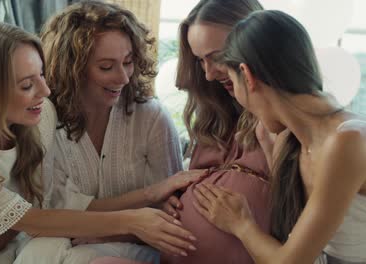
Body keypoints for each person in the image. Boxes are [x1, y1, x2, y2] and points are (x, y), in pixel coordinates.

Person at [0, 21, 198, 264]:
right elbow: (29, 219)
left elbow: (52, 209)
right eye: (26, 85)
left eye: (41, 76)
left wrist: (152, 195)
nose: (45, 91)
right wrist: (132, 220)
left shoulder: (40, 116)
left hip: (11, 237)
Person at [13, 1, 206, 263]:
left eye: (128, 62)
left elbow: (173, 218)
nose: (124, 77)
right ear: (74, 69)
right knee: (41, 251)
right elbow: (48, 213)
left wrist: (105, 234)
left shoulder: (151, 119)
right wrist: (139, 206)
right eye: (106, 67)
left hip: (133, 248)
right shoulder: (44, 118)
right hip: (59, 244)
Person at [92, 1, 274, 264]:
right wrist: (172, 203)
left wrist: (242, 226)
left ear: (256, 43)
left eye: (218, 56)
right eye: (200, 60)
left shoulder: (279, 128)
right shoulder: (214, 120)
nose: (209, 74)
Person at [193, 10, 366, 264]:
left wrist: (241, 224)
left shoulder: (349, 141)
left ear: (247, 76)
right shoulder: (291, 141)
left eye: (232, 83)